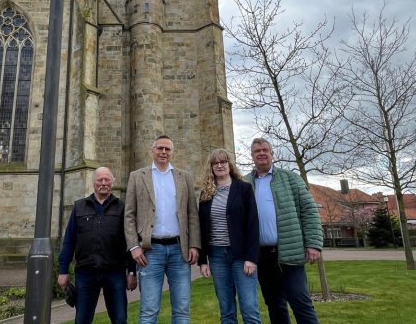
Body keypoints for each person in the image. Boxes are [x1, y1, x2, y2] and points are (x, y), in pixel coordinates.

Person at [124, 135, 201, 324]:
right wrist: (134, 247)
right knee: (149, 311)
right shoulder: (137, 176)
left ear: (172, 152)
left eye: (167, 149)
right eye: (160, 148)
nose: (163, 152)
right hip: (150, 252)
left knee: (182, 310)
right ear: (152, 151)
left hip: (179, 250)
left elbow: (192, 214)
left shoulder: (185, 177)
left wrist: (194, 245)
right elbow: (129, 215)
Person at [246, 138, 323, 324]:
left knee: (300, 302)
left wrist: (313, 243)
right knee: (274, 304)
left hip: (290, 251)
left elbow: (309, 210)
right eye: (257, 151)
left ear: (272, 153)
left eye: (265, 150)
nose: (261, 153)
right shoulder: (245, 182)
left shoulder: (291, 178)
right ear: (252, 156)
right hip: (263, 256)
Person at [58, 167, 137, 324]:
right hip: (86, 273)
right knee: (82, 320)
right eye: (100, 180)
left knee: (120, 319)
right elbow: (69, 241)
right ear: (93, 182)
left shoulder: (122, 208)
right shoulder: (79, 207)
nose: (103, 183)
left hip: (114, 272)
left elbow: (130, 242)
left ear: (112, 182)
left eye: (107, 180)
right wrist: (63, 271)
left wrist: (132, 272)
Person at [197, 148, 261, 324]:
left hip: (241, 256)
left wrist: (251, 258)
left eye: (223, 162)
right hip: (217, 256)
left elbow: (253, 225)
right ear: (211, 167)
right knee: (226, 311)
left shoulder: (244, 189)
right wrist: (203, 260)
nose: (220, 165)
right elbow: (201, 227)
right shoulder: (206, 193)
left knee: (249, 309)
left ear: (229, 164)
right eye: (215, 163)